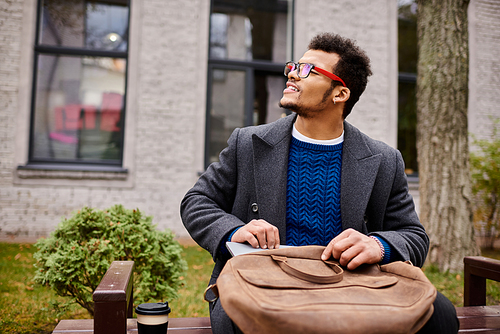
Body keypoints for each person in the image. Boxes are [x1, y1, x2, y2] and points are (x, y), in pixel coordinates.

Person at [181, 32, 458, 334]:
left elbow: (414, 235)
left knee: (441, 315)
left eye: (307, 70)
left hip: (350, 286)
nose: (292, 75)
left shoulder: (382, 159)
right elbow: (196, 202)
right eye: (294, 66)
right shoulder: (248, 143)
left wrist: (377, 245)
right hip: (262, 284)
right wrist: (235, 230)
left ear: (340, 94)